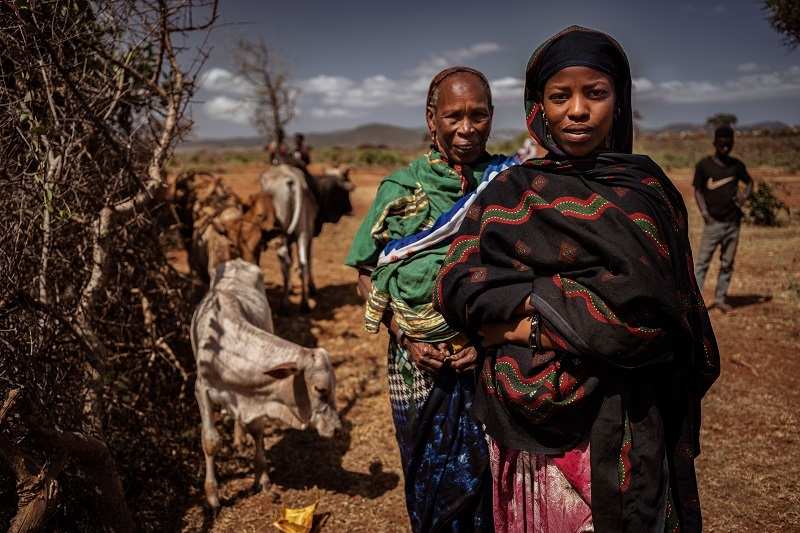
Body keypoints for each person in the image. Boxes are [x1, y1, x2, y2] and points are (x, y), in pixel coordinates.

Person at [436, 26, 720, 532]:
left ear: (620, 99)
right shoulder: (511, 191)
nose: (578, 111)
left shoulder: (645, 190)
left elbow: (649, 317)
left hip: (628, 421)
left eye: (596, 93)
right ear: (538, 106)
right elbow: (458, 281)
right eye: (559, 96)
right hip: (526, 428)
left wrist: (520, 326)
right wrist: (568, 305)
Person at [345, 66, 515, 532]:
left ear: (492, 116)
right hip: (414, 364)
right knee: (429, 477)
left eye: (478, 115)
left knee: (495, 483)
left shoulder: (511, 185)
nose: (466, 128)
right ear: (431, 118)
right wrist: (405, 338)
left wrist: (484, 343)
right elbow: (366, 272)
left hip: (492, 359)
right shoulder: (401, 189)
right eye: (453, 116)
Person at [692, 125, 753, 312]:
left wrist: (744, 196)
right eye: (722, 143)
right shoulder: (704, 166)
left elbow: (749, 182)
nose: (725, 146)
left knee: (727, 263)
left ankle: (720, 299)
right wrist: (705, 214)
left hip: (733, 223)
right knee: (702, 263)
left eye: (729, 143)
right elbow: (697, 190)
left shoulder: (737, 166)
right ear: (715, 143)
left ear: (732, 144)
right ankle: (695, 303)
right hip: (713, 224)